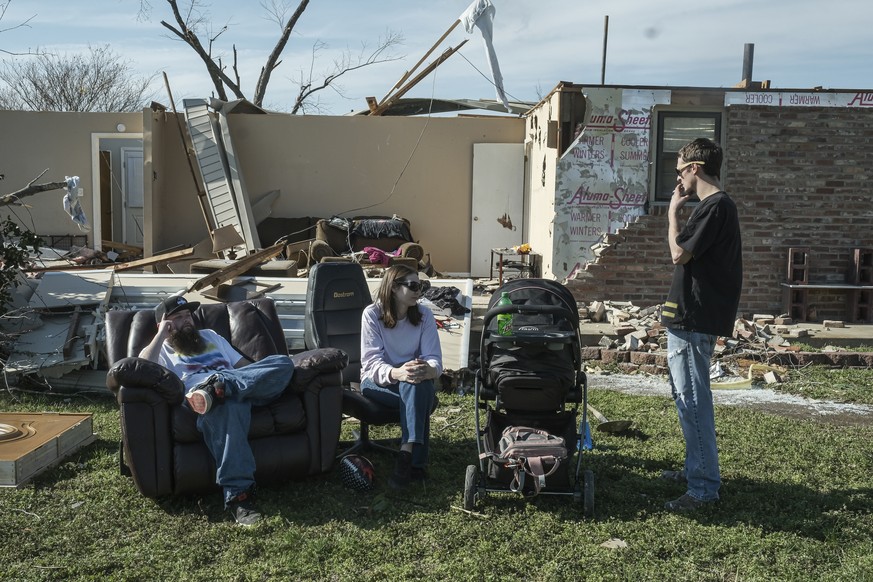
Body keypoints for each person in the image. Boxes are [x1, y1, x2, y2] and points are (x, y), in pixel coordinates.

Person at [139, 295, 295, 526]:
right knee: (228, 406)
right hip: (203, 401)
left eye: (188, 315)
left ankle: (221, 387)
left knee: (283, 363)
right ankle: (238, 497)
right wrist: (161, 334)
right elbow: (142, 369)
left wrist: (242, 380)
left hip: (238, 385)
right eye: (179, 318)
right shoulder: (162, 350)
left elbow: (247, 369)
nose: (187, 321)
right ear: (164, 324)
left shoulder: (210, 336)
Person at [660, 137, 743, 512]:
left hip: (696, 317)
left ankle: (703, 488)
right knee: (685, 399)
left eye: (679, 171)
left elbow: (679, 254)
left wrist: (672, 212)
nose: (678, 180)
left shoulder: (715, 206)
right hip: (687, 315)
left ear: (694, 168)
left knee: (693, 401)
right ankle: (696, 468)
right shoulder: (714, 207)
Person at [360, 265, 442, 489]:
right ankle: (415, 464)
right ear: (395, 288)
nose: (419, 291)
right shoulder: (372, 315)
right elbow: (371, 364)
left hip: (412, 380)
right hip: (376, 381)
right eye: (413, 286)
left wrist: (429, 370)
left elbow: (434, 357)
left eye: (421, 286)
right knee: (419, 389)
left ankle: (406, 454)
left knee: (419, 386)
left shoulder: (424, 314)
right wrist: (399, 372)